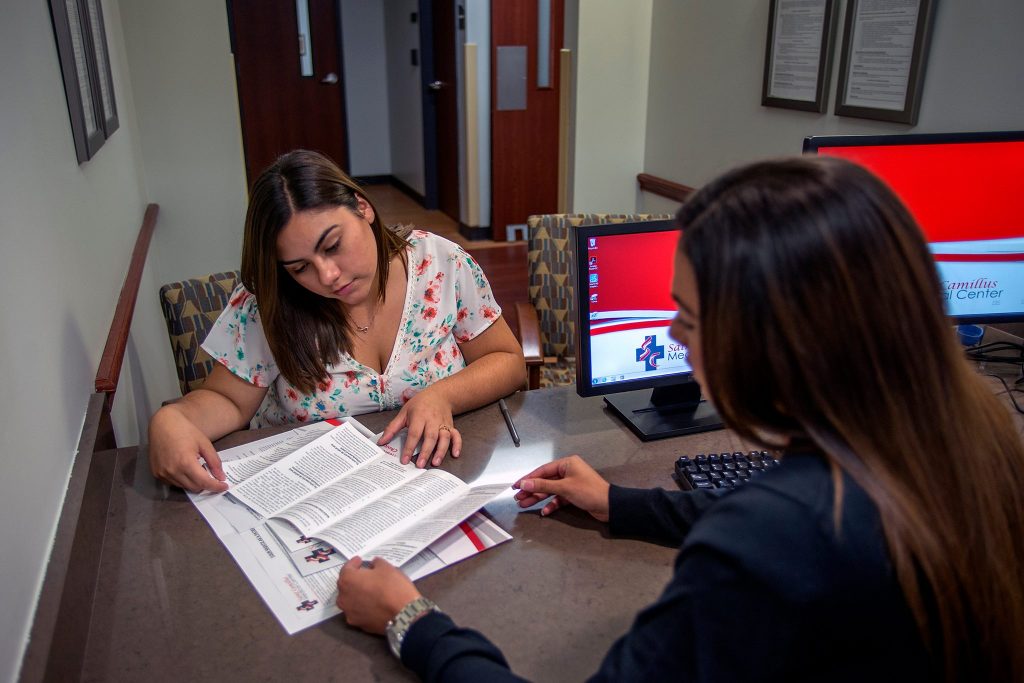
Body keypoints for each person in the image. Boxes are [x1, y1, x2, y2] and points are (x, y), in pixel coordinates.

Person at [335, 156, 1024, 682]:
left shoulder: (766, 540)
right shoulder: (970, 437)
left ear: (774, 342)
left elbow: (772, 536)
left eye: (689, 316)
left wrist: (411, 620)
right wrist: (621, 503)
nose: (673, 333)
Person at [149, 150, 525, 493]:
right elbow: (228, 401)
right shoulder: (269, 304)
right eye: (300, 268)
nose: (328, 276)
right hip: (315, 495)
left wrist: (442, 395)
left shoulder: (441, 263)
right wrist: (172, 419)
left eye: (332, 246)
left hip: (436, 481)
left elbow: (507, 360)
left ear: (363, 208)